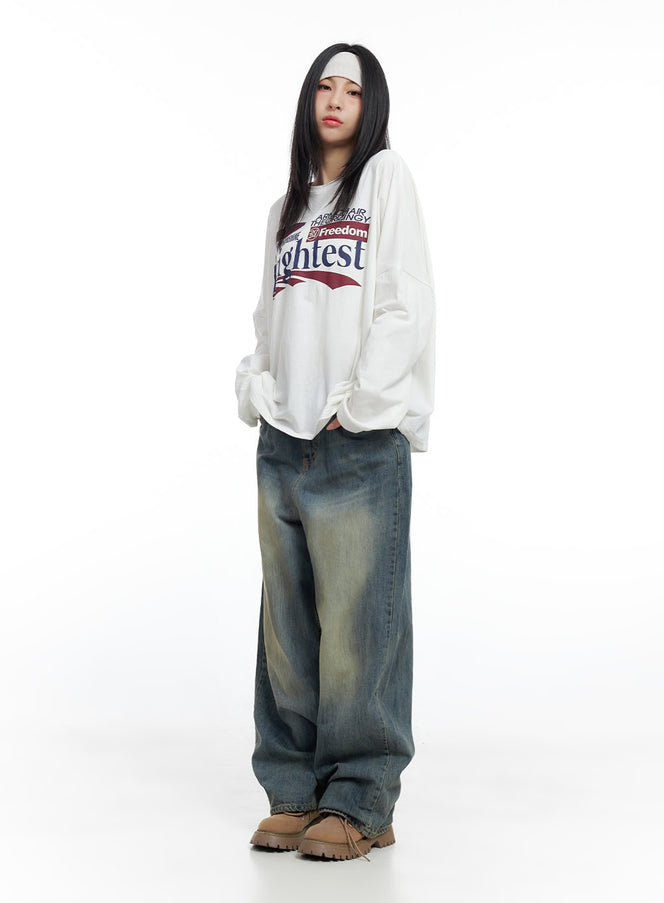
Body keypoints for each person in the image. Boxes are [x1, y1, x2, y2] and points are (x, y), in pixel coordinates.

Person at [235, 43, 435, 861]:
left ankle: (361, 798)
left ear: (370, 105)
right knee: (287, 627)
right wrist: (257, 389)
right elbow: (269, 316)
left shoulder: (385, 179)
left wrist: (355, 408)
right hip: (284, 440)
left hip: (356, 440)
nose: (336, 98)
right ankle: (294, 788)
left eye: (353, 89)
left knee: (358, 629)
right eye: (325, 84)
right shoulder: (285, 208)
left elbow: (403, 303)